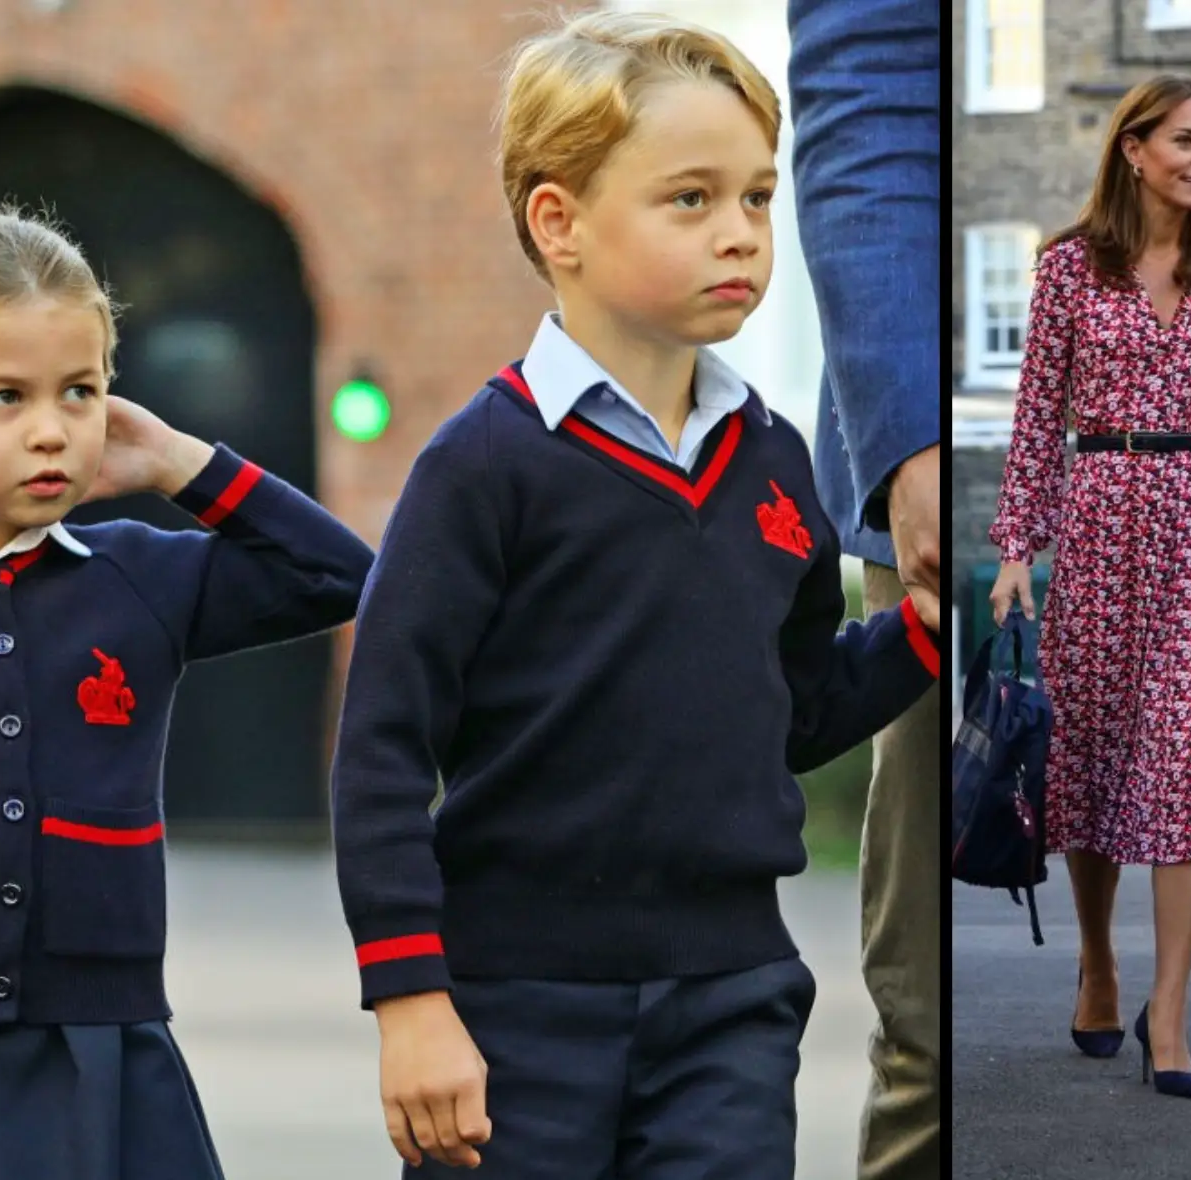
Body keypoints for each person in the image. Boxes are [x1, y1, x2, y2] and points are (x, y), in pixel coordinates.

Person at [328, 11, 941, 1177]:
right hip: (511, 1005)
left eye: (759, 200)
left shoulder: (775, 460)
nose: (741, 237)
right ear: (557, 221)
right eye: (691, 200)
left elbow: (797, 705)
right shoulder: (479, 469)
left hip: (731, 1001)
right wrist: (409, 1001)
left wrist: (915, 630)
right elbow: (381, 756)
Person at [0, 206, 374, 1179]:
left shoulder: (137, 579)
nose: (51, 429)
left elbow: (341, 576)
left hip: (98, 1053)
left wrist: (176, 463)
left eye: (80, 392)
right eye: (4, 397)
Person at [987, 73, 1191, 1100]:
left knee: (1180, 768)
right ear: (1131, 148)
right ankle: (1097, 960)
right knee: (1085, 767)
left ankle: (1167, 1013)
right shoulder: (1065, 271)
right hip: (1093, 521)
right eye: (1183, 140)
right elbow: (1037, 415)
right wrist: (1013, 546)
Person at [786, 1, 942, 1173]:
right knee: (936, 1027)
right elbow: (869, 96)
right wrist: (903, 441)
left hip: (1158, 476)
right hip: (946, 475)